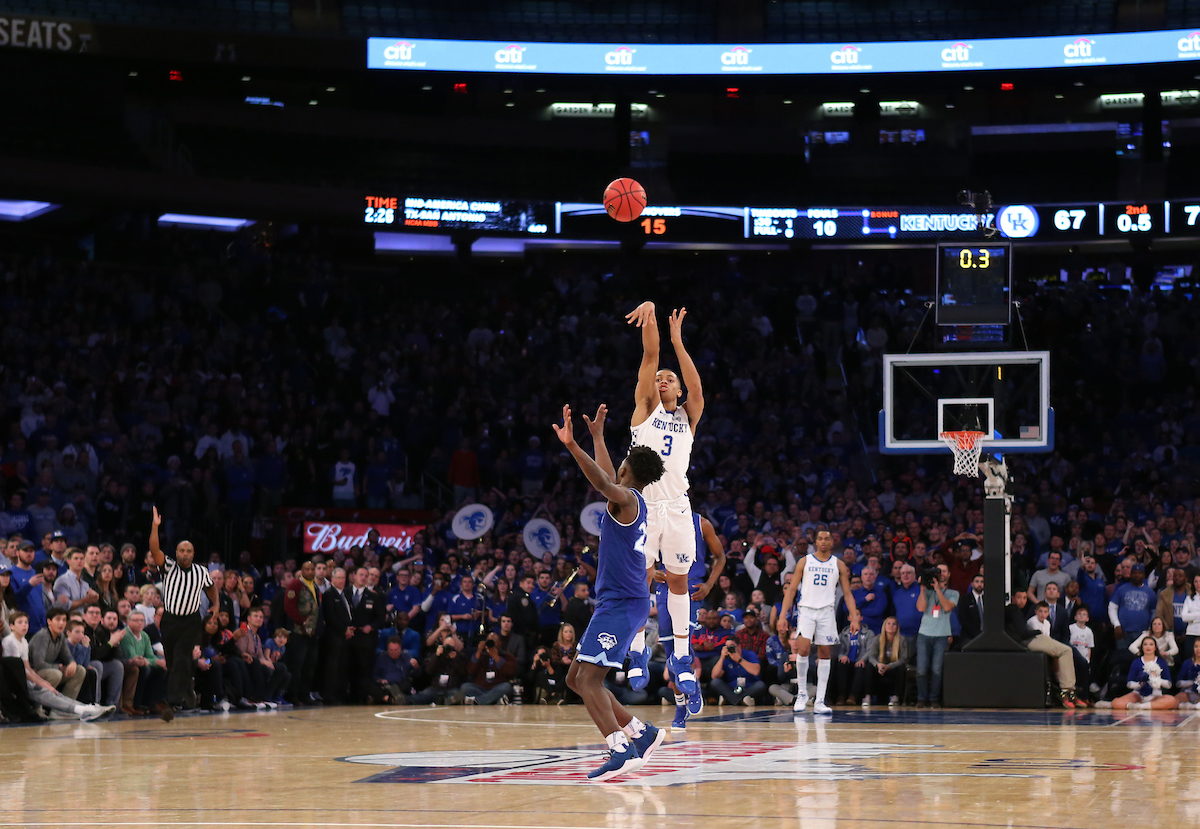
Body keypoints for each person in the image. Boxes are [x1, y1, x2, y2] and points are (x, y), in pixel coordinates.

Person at [553, 402, 668, 782]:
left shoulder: (628, 500)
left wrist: (573, 445)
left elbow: (602, 481)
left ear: (628, 469)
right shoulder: (632, 499)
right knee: (575, 679)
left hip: (621, 603)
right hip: (618, 601)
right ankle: (642, 732)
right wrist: (598, 436)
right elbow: (607, 477)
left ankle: (620, 748)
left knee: (588, 681)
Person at [623, 302, 706, 701]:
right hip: (644, 508)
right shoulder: (643, 409)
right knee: (639, 579)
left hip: (677, 507)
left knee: (678, 581)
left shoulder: (689, 415)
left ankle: (682, 659)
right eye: (658, 378)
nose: (661, 380)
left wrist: (679, 341)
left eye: (668, 379)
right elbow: (649, 355)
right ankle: (636, 652)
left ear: (678, 389)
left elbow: (696, 385)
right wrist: (653, 318)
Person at [641, 510, 726, 722]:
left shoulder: (702, 523)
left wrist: (709, 584)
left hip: (692, 587)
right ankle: (680, 707)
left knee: (683, 643)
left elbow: (721, 556)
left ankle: (694, 688)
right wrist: (652, 570)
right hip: (664, 588)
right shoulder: (659, 521)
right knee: (670, 650)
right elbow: (643, 551)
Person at [778, 529, 861, 714]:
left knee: (825, 653)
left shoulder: (838, 564)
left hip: (827, 611)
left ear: (832, 542)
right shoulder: (804, 561)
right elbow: (791, 590)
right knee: (804, 649)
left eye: (827, 539)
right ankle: (801, 694)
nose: (823, 541)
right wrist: (782, 615)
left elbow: (847, 593)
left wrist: (854, 617)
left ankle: (820, 700)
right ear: (815, 542)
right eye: (820, 538)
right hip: (806, 609)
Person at [149, 506, 218, 721]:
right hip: (170, 620)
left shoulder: (201, 571)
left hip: (190, 621)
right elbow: (154, 550)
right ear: (176, 553)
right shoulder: (168, 566)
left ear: (193, 554)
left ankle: (172, 702)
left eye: (188, 551)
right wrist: (155, 527)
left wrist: (215, 605)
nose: (185, 554)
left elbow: (211, 587)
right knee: (173, 662)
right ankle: (187, 694)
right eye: (181, 551)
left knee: (180, 659)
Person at [2, 613, 112, 721]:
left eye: (26, 622)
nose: (24, 625)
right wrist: (41, 683)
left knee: (51, 690)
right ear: (11, 626)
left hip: (24, 677)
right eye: (20, 622)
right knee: (43, 689)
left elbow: (27, 667)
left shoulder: (24, 641)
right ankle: (79, 709)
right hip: (13, 682)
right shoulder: (10, 641)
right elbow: (19, 670)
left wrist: (43, 682)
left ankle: (86, 707)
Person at [1005, 589, 1078, 708]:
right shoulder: (1013, 609)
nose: (1022, 600)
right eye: (1019, 597)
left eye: (1024, 598)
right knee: (1066, 650)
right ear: (1012, 598)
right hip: (1027, 641)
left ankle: (1067, 690)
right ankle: (1067, 691)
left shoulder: (1017, 611)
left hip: (1026, 640)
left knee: (1062, 651)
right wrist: (1037, 632)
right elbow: (1022, 633)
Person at [1103, 635, 1177, 710]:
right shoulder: (1136, 662)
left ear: (1155, 647)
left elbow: (1168, 684)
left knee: (1171, 700)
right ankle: (1139, 705)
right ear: (1142, 647)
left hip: (1156, 695)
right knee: (1117, 703)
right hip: (1138, 694)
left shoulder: (1162, 662)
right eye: (1145, 644)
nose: (1148, 647)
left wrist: (1155, 679)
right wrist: (1140, 684)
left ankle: (1140, 706)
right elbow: (1129, 683)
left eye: (1151, 644)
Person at [29, 607, 85, 701]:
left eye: (64, 620)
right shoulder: (42, 636)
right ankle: (38, 706)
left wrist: (72, 663)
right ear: (49, 621)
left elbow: (67, 656)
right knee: (56, 674)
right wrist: (58, 667)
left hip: (49, 669)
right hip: (33, 672)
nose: (61, 623)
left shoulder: (61, 636)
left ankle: (65, 707)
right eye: (58, 619)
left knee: (79, 670)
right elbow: (38, 664)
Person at [709, 636, 765, 706]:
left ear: (739, 646)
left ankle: (730, 699)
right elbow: (714, 676)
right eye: (727, 647)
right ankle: (741, 701)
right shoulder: (726, 657)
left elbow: (756, 671)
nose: (730, 649)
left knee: (760, 685)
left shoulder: (750, 654)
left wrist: (739, 660)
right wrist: (721, 658)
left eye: (732, 646)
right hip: (732, 688)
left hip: (749, 686)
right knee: (715, 682)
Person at [867, 616, 908, 706]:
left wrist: (889, 666)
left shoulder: (901, 640)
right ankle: (868, 696)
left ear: (897, 627)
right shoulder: (878, 638)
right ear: (884, 626)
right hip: (880, 667)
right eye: (888, 624)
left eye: (894, 624)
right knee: (869, 666)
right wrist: (878, 664)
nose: (891, 626)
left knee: (902, 668)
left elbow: (903, 659)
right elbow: (871, 656)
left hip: (893, 667)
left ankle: (895, 697)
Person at [1172, 638, 1200, 709]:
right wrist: (1193, 682)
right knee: (1173, 701)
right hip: (1189, 692)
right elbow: (1178, 683)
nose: (1198, 649)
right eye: (1196, 646)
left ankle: (1194, 706)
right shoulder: (1187, 663)